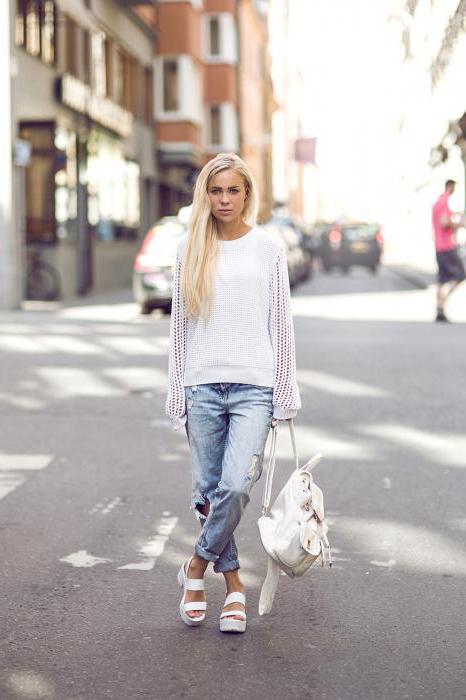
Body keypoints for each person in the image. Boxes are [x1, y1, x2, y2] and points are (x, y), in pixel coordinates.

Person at [165, 153, 300, 633]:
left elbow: (280, 323)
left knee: (237, 486)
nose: (224, 200)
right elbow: (179, 326)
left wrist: (285, 391)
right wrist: (176, 392)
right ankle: (236, 586)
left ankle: (196, 568)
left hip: (254, 387)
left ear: (247, 194)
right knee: (206, 494)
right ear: (206, 194)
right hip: (201, 384)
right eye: (216, 191)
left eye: (233, 191)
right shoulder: (189, 247)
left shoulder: (267, 248)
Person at [432, 179, 466, 322]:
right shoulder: (444, 201)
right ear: (450, 187)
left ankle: (439, 310)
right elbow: (445, 222)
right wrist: (460, 224)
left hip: (439, 247)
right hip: (447, 247)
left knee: (442, 279)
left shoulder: (437, 203)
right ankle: (443, 302)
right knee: (460, 276)